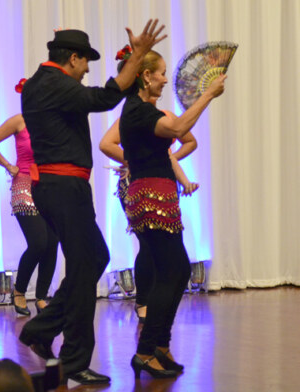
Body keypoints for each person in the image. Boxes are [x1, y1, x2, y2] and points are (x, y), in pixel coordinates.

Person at [17, 21, 166, 385]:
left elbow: (100, 96)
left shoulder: (43, 83)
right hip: (64, 187)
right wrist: (137, 57)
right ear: (72, 58)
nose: (87, 70)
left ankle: (43, 328)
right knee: (87, 265)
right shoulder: (55, 83)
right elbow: (105, 97)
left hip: (61, 187)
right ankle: (73, 359)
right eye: (85, 63)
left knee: (93, 258)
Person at [117, 49, 226, 378]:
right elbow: (179, 127)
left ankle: (159, 345)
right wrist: (207, 94)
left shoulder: (141, 110)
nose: (166, 79)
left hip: (155, 195)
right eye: (161, 73)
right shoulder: (138, 111)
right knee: (174, 270)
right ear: (146, 76)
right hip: (150, 197)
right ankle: (147, 349)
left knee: (175, 272)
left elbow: (176, 133)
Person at [100, 103, 198, 323]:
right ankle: (143, 302)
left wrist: (169, 166)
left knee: (162, 249)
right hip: (136, 183)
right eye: (160, 74)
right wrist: (132, 160)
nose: (163, 80)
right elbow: (106, 144)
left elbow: (190, 142)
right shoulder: (132, 116)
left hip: (163, 184)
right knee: (147, 244)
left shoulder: (167, 117)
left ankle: (155, 301)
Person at [0, 86, 59, 316]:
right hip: (24, 183)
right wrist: (8, 165)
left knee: (53, 242)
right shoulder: (19, 120)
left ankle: (42, 297)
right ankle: (19, 291)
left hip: (49, 186)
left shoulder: (54, 122)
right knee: (38, 242)